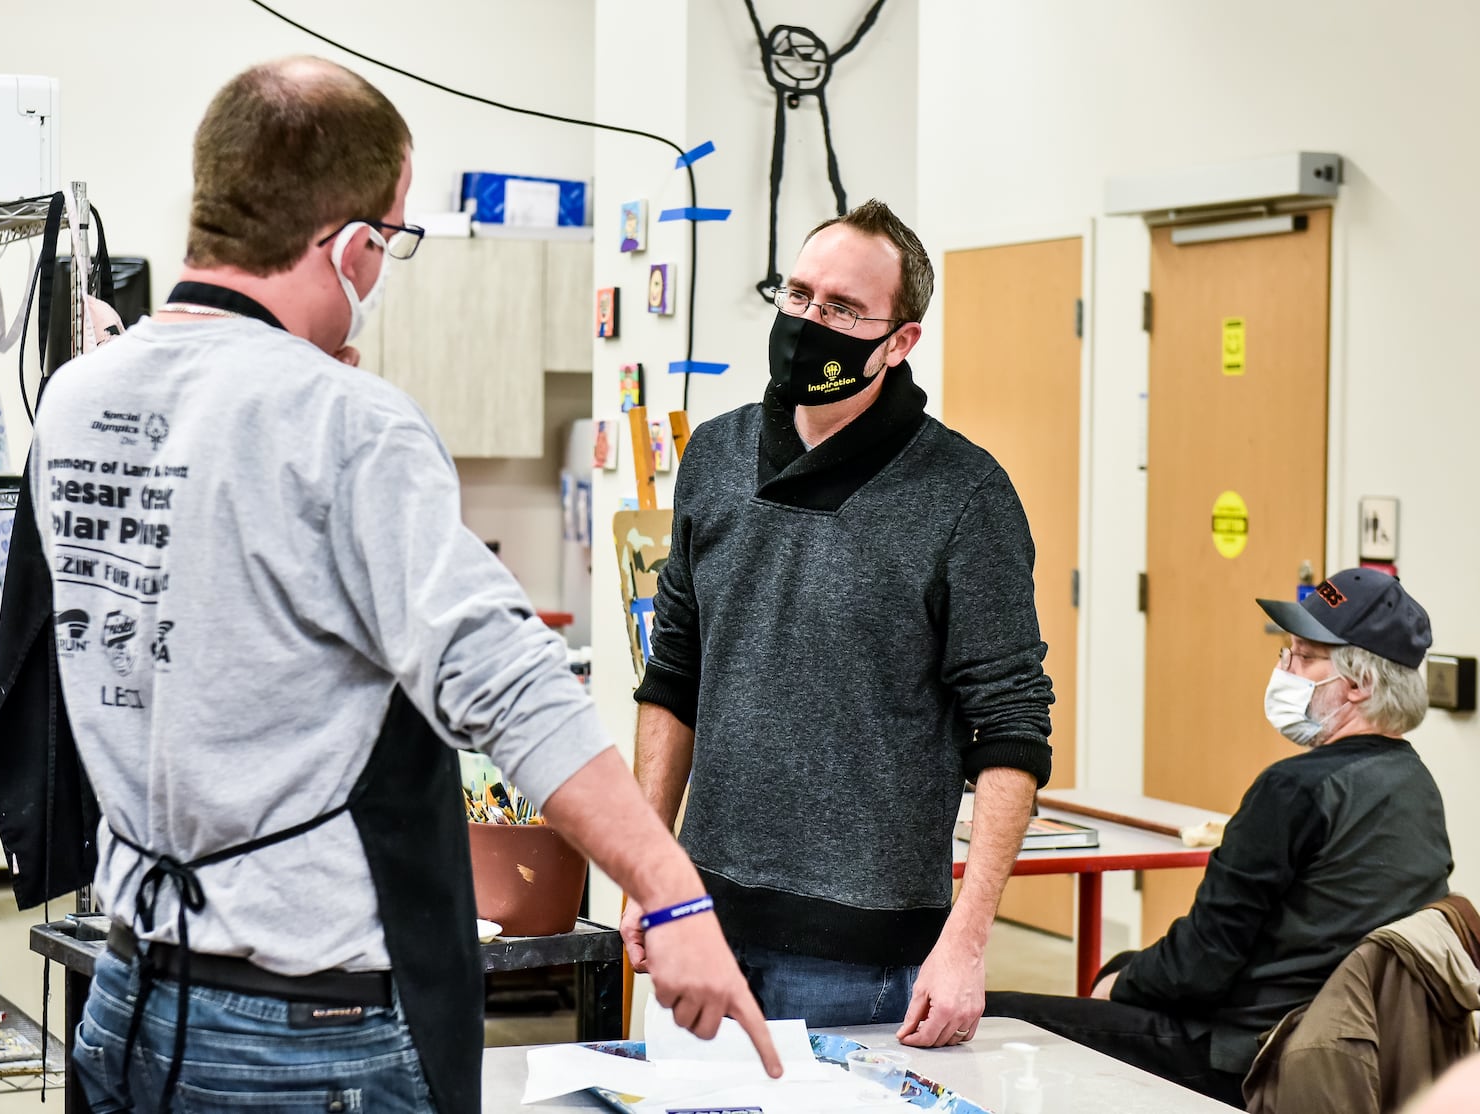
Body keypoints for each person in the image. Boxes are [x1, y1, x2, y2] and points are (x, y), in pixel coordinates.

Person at [6, 56, 780, 1114]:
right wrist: (675, 899)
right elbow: (509, 685)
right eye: (394, 238)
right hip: (308, 1038)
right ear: (353, 245)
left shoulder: (76, 399)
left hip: (129, 1003)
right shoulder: (343, 420)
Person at [622, 199, 1056, 1049]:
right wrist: (649, 869)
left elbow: (1010, 726)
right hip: (699, 925)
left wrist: (966, 943)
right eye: (799, 295)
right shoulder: (713, 453)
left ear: (900, 342)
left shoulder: (965, 495)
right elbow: (674, 674)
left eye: (844, 309)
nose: (811, 321)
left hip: (864, 960)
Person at [985, 567, 1453, 1107]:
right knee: (1124, 967)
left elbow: (1200, 967)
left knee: (995, 1021)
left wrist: (1120, 984)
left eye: (1303, 657)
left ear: (1358, 684)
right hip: (1355, 1045)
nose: (1284, 669)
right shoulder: (1416, 784)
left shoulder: (1296, 789)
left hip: (1251, 1054)